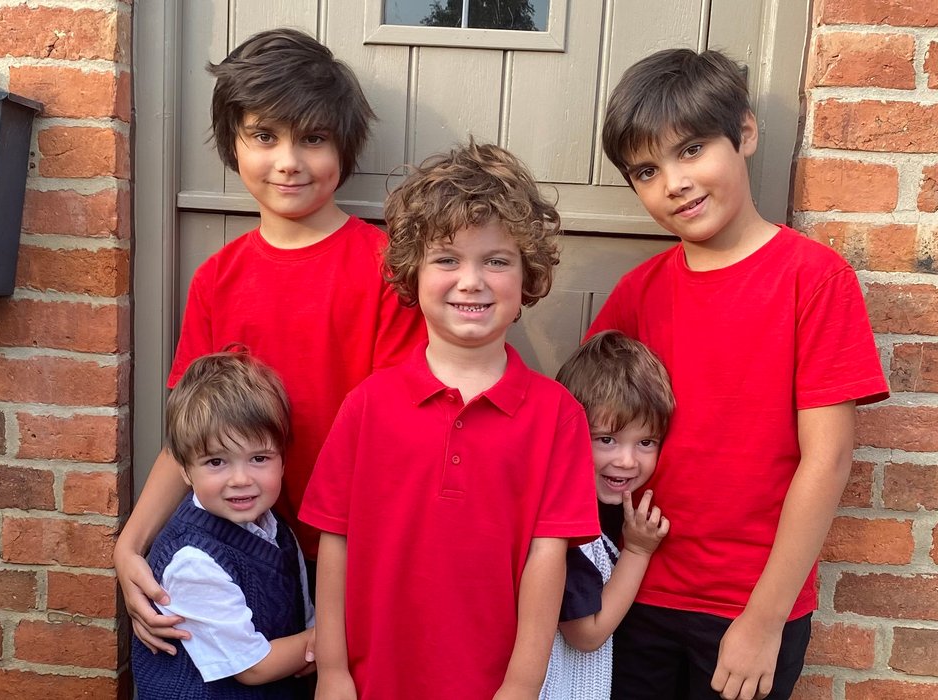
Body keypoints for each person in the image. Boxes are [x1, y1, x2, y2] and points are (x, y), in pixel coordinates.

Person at [588, 48, 889, 700]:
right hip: (637, 591)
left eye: (692, 149)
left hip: (748, 605)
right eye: (647, 170)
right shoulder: (638, 294)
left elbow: (829, 458)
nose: (674, 182)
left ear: (745, 133)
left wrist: (764, 618)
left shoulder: (814, 279)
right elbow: (580, 430)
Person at [115, 28, 426, 654]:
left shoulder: (387, 270)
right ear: (232, 142)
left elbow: (401, 439)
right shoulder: (217, 280)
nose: (288, 161)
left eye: (312, 138)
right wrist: (131, 544)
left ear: (344, 145)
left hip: (351, 554)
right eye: (264, 136)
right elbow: (191, 436)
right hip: (235, 554)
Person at [299, 140, 601, 699]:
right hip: (373, 681)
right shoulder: (367, 405)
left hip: (491, 685)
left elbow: (548, 559)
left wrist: (521, 686)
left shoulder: (557, 415)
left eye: (496, 260)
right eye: (447, 259)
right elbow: (334, 543)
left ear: (527, 275)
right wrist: (334, 672)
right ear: (412, 272)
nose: (471, 280)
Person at [131, 349, 315, 698]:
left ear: (283, 460)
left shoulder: (279, 532)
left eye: (259, 458)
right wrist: (329, 642)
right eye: (216, 462)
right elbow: (253, 666)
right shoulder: (192, 561)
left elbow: (302, 618)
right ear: (185, 470)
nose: (241, 479)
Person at [540, 330, 674, 700]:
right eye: (606, 439)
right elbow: (587, 634)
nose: (627, 461)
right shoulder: (565, 527)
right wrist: (638, 551)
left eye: (645, 442)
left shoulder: (610, 507)